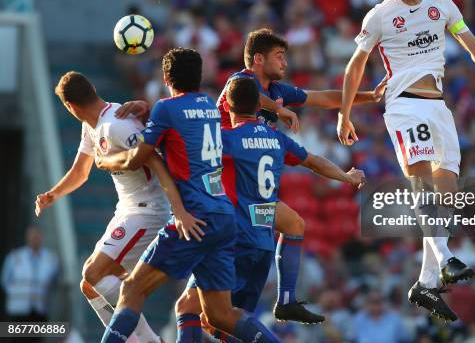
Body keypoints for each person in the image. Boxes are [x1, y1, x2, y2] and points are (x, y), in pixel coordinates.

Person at [119, 28, 386, 324]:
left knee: (294, 225)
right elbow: (251, 96)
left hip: (246, 183)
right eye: (279, 56)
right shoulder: (240, 82)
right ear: (258, 59)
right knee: (203, 309)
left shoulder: (277, 90)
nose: (285, 63)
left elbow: (322, 97)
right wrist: (279, 111)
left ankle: (285, 301)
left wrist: (369, 97)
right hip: (220, 181)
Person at [337, 0, 475, 321]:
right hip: (405, 106)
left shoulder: (442, 5)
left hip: (439, 109)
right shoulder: (379, 15)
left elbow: (473, 48)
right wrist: (344, 116)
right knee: (422, 181)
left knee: (446, 196)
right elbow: (354, 68)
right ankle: (444, 259)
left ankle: (425, 284)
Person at [95, 48, 282, 343]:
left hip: (194, 217)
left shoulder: (166, 110)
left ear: (167, 77)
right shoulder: (208, 104)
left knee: (132, 289)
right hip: (223, 218)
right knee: (219, 314)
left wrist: (103, 160)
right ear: (200, 76)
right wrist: (153, 112)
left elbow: (136, 158)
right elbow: (186, 130)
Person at [173, 77, 366, 342]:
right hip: (263, 246)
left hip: (232, 243)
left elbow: (186, 153)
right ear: (258, 105)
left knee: (190, 308)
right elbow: (314, 162)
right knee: (231, 325)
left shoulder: (226, 139)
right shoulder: (277, 139)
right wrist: (347, 177)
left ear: (227, 107)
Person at [35, 71, 187, 342]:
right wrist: (53, 194)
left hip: (148, 211)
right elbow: (81, 171)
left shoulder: (117, 123)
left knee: (94, 274)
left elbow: (154, 159)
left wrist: (178, 208)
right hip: (127, 210)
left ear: (70, 106)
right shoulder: (91, 125)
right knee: (91, 285)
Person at [1, 226, 58, 328]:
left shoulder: (51, 259)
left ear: (41, 238)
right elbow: (5, 281)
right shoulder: (14, 257)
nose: (35, 239)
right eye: (32, 237)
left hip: (40, 309)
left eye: (37, 236)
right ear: (27, 238)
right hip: (18, 310)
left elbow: (53, 282)